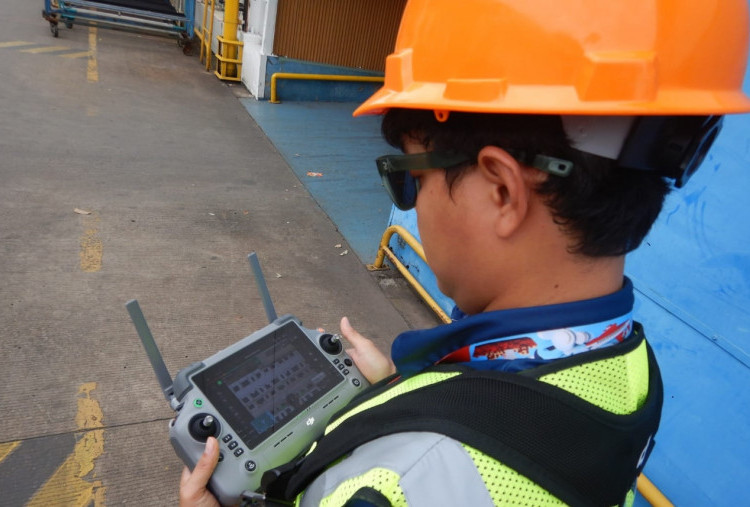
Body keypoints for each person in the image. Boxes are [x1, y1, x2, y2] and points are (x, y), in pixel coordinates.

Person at [180, 0, 750, 505]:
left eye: (409, 178)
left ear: (500, 191)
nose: (411, 204)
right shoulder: (630, 367)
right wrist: (403, 395)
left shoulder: (392, 487)